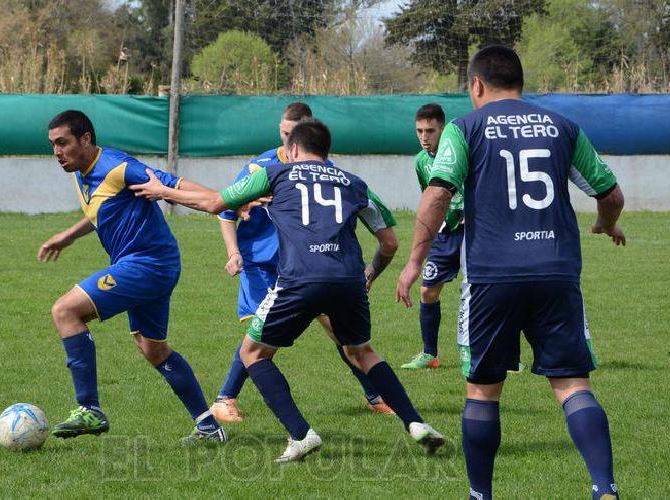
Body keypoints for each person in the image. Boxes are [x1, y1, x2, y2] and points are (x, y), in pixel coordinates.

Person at [131, 118, 447, 463]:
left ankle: (300, 434)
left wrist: (163, 192)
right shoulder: (355, 183)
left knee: (252, 353)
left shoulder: (276, 173)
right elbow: (389, 243)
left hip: (299, 279)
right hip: (347, 280)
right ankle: (416, 423)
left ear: (293, 149)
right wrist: (369, 274)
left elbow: (215, 204)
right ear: (326, 152)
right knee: (363, 353)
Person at [394, 46, 625, 499]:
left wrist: (415, 262)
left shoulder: (464, 128)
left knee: (483, 391)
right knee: (573, 385)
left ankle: (480, 495)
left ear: (476, 86)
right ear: (521, 83)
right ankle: (604, 489)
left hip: (492, 277)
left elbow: (438, 194)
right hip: (556, 272)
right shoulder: (563, 127)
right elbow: (611, 194)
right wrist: (606, 223)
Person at [39, 110, 226, 444]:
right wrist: (67, 236)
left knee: (65, 310)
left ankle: (89, 408)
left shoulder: (117, 167)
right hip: (155, 265)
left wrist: (222, 202)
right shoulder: (81, 172)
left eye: (62, 143)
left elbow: (172, 184)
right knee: (153, 349)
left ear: (85, 139)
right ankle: (209, 426)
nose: (57, 152)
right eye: (53, 144)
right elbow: (102, 210)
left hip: (147, 264)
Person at [211, 101, 394, 423]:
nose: (286, 141)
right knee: (259, 333)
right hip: (262, 265)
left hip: (307, 264)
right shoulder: (261, 168)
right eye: (283, 133)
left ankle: (375, 395)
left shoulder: (326, 168)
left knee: (337, 329)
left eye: (292, 134)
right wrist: (233, 252)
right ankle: (225, 399)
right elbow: (225, 210)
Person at [401, 104, 526, 373]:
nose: (424, 137)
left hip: (476, 231)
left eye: (430, 131)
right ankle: (429, 354)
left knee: (494, 291)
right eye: (420, 131)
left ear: (442, 130)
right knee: (428, 290)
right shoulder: (420, 161)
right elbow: (430, 197)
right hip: (445, 235)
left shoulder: (463, 151)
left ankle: (511, 357)